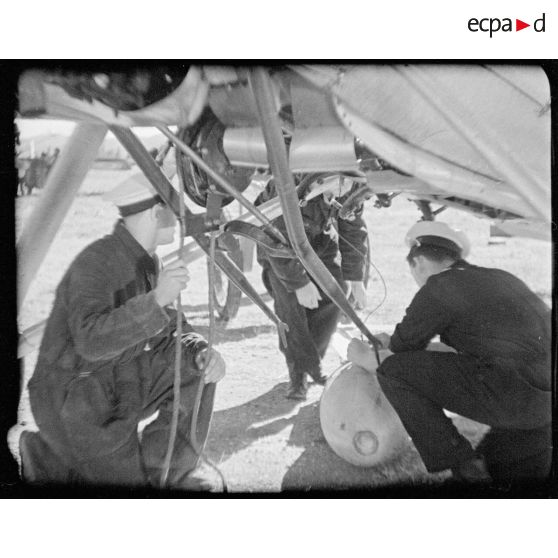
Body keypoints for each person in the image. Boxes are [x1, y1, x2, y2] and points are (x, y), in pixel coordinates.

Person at [25, 172, 226, 490]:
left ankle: (167, 471)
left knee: (195, 368)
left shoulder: (145, 261)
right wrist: (157, 298)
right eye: (173, 209)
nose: (178, 217)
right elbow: (90, 341)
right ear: (154, 212)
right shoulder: (96, 262)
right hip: (70, 398)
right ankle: (48, 456)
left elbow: (163, 326)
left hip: (112, 382)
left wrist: (198, 348)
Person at [347, 221, 552, 484]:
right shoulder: (499, 277)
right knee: (511, 474)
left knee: (393, 371)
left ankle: (461, 463)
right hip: (542, 406)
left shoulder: (439, 285)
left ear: (418, 262)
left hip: (513, 399)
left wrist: (361, 354)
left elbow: (397, 356)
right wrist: (392, 340)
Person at [256, 178, 369, 401]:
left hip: (319, 241)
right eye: (343, 182)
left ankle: (310, 362)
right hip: (279, 249)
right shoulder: (290, 185)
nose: (346, 190)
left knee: (336, 294)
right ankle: (298, 375)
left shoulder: (350, 185)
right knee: (291, 310)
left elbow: (353, 229)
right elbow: (274, 236)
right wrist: (299, 283)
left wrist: (355, 278)